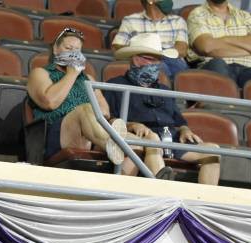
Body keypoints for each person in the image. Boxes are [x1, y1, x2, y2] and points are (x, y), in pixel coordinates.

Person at [27, 27, 174, 178]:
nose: (73, 53)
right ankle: (113, 144)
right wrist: (72, 74)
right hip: (58, 134)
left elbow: (104, 112)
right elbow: (50, 102)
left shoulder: (88, 79)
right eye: (68, 48)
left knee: (145, 141)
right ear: (56, 49)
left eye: (77, 50)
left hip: (93, 135)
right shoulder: (41, 73)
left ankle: (158, 181)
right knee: (85, 108)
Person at [106, 33, 222, 186]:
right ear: (136, 59)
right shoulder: (115, 85)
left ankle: (204, 199)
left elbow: (179, 121)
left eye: (158, 60)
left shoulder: (165, 90)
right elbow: (108, 119)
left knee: (213, 150)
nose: (156, 65)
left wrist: (185, 130)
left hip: (170, 139)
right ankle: (163, 190)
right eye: (151, 59)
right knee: (153, 139)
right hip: (143, 139)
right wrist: (131, 125)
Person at [112, 0, 191, 79]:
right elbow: (117, 48)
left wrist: (158, 53)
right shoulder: (130, 20)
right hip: (144, 58)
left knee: (170, 65)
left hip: (172, 60)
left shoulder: (178, 21)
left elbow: (182, 50)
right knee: (158, 66)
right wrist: (144, 52)